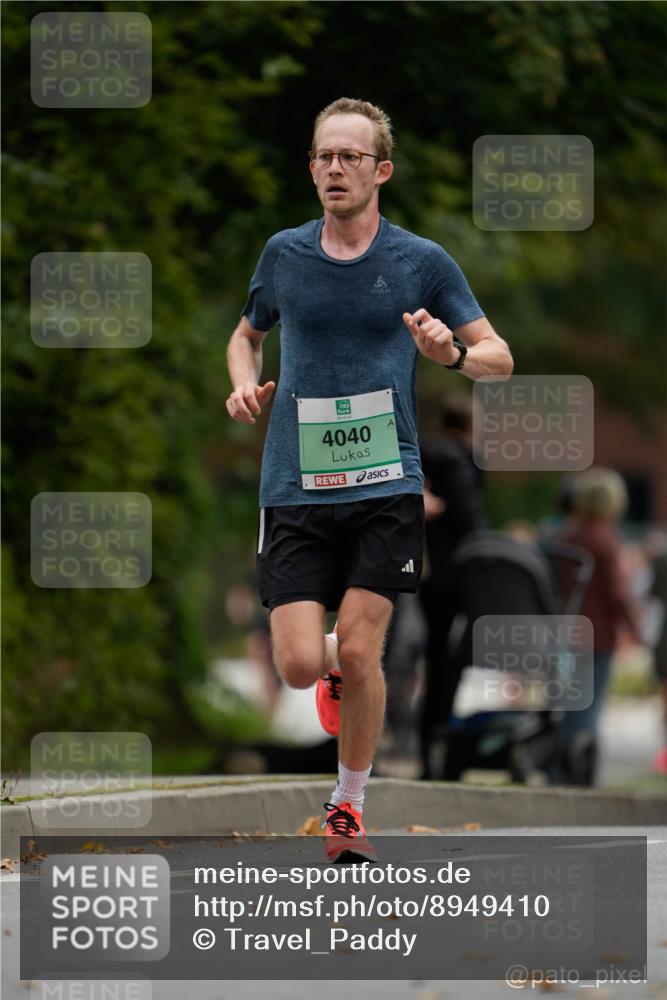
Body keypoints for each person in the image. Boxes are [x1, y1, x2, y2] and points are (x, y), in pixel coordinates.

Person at [225, 97, 512, 860]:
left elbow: (499, 358)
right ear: (312, 167)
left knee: (361, 651)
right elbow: (246, 335)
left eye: (350, 156)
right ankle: (329, 668)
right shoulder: (284, 254)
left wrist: (447, 351)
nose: (334, 168)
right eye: (323, 156)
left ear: (380, 170)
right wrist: (242, 383)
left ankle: (347, 807)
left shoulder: (420, 261)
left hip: (386, 484)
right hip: (292, 487)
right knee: (295, 664)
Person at [553, 468, 642, 786]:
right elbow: (618, 593)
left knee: (565, 707)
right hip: (598, 637)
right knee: (588, 713)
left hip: (560, 635)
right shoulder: (607, 542)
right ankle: (582, 777)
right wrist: (636, 630)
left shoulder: (561, 538)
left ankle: (558, 771)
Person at [417, 394, 487, 778]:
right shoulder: (460, 464)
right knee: (448, 664)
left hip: (428, 574)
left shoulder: (427, 455)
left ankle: (430, 746)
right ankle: (441, 742)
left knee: (434, 658)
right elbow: (469, 519)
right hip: (457, 577)